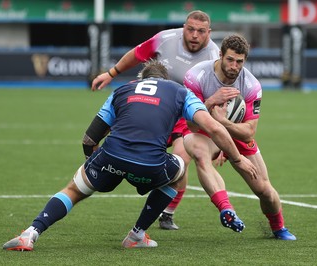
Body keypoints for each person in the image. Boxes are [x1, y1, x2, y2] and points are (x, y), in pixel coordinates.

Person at [2, 60, 258, 251]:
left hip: (111, 156)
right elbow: (213, 127)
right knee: (179, 174)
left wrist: (97, 168)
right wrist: (237, 158)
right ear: (164, 78)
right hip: (152, 165)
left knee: (75, 188)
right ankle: (136, 235)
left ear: (141, 77)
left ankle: (30, 233)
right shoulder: (180, 91)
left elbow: (89, 139)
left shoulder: (122, 90)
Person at [90, 10, 220, 230]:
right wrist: (111, 74)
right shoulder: (165, 38)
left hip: (182, 115)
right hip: (149, 106)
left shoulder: (214, 57)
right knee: (119, 141)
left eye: (200, 31)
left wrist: (221, 143)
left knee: (181, 160)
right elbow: (137, 53)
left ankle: (167, 213)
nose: (194, 35)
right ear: (183, 27)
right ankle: (97, 168)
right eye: (190, 29)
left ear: (209, 32)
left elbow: (217, 101)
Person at [181, 34, 297, 240]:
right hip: (204, 131)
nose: (234, 66)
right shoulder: (196, 76)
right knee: (199, 153)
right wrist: (210, 102)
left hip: (234, 132)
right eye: (230, 59)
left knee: (264, 190)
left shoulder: (251, 85)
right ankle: (226, 209)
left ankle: (279, 227)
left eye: (240, 62)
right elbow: (189, 123)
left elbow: (249, 131)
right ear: (220, 55)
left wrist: (224, 122)